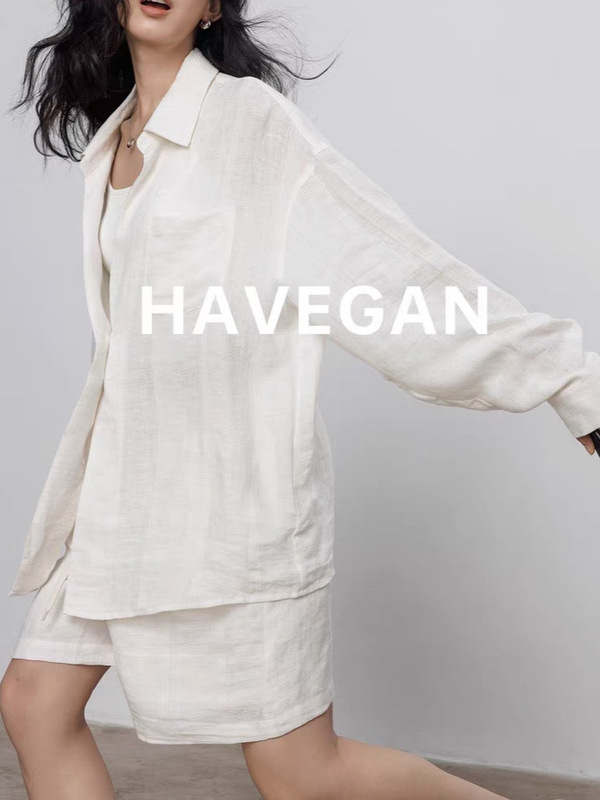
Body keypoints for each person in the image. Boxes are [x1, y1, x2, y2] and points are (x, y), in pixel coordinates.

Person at [1, 2, 599, 799]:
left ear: (213, 9)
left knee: (301, 774)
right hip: (123, 498)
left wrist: (568, 378)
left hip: (235, 508)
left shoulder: (251, 125)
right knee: (35, 703)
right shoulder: (115, 139)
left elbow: (392, 270)